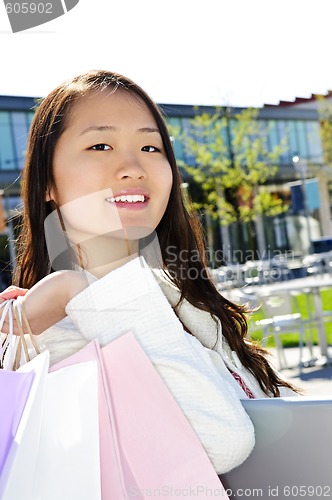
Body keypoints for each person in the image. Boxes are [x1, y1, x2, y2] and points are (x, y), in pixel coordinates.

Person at [0, 70, 299, 476]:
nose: (132, 166)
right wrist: (75, 285)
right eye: (100, 145)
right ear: (47, 182)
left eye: (150, 146)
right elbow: (221, 442)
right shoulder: (55, 331)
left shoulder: (178, 296)